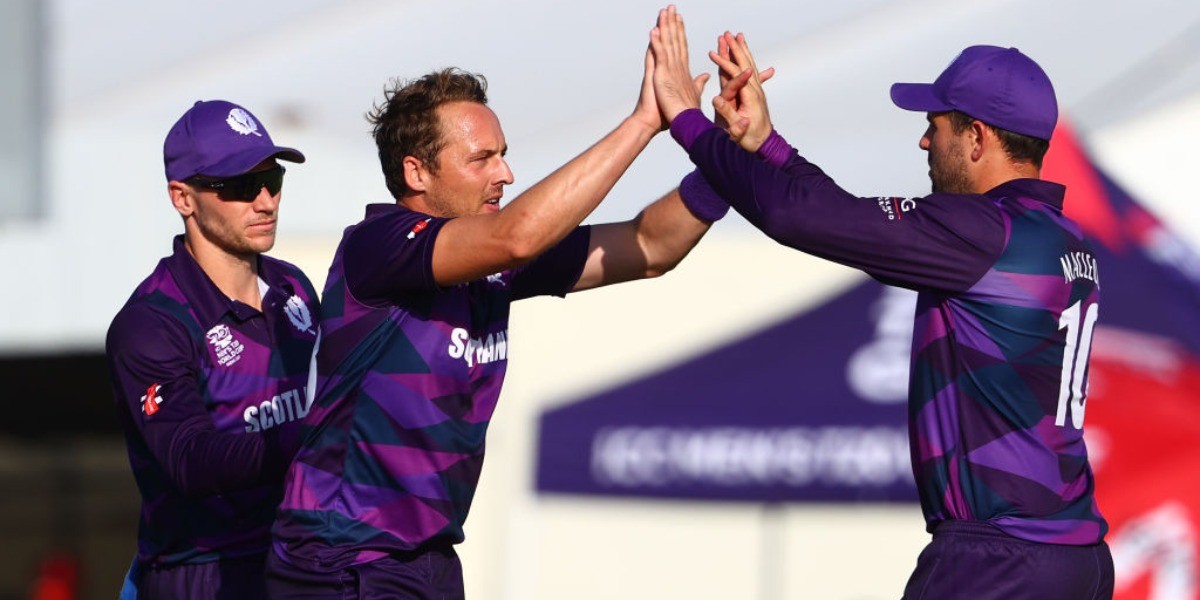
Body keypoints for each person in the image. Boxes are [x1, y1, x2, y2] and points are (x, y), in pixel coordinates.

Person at [263, 14, 743, 599]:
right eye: (482, 158)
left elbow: (650, 247)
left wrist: (727, 158)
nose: (506, 174)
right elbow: (517, 235)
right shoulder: (379, 245)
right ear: (416, 172)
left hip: (428, 559)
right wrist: (644, 122)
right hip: (342, 560)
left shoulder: (492, 262)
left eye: (504, 154)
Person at [648, 8, 1113, 599]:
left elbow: (796, 217)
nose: (924, 140)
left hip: (999, 559)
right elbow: (842, 217)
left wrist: (687, 121)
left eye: (935, 125)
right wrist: (768, 146)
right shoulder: (1061, 237)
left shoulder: (982, 230)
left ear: (977, 137)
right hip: (1077, 559)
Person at [105, 99, 319, 599]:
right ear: (183, 198)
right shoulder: (151, 322)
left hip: (298, 557)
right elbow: (189, 458)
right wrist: (316, 434)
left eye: (273, 180)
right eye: (241, 186)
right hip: (204, 573)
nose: (265, 201)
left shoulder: (293, 287)